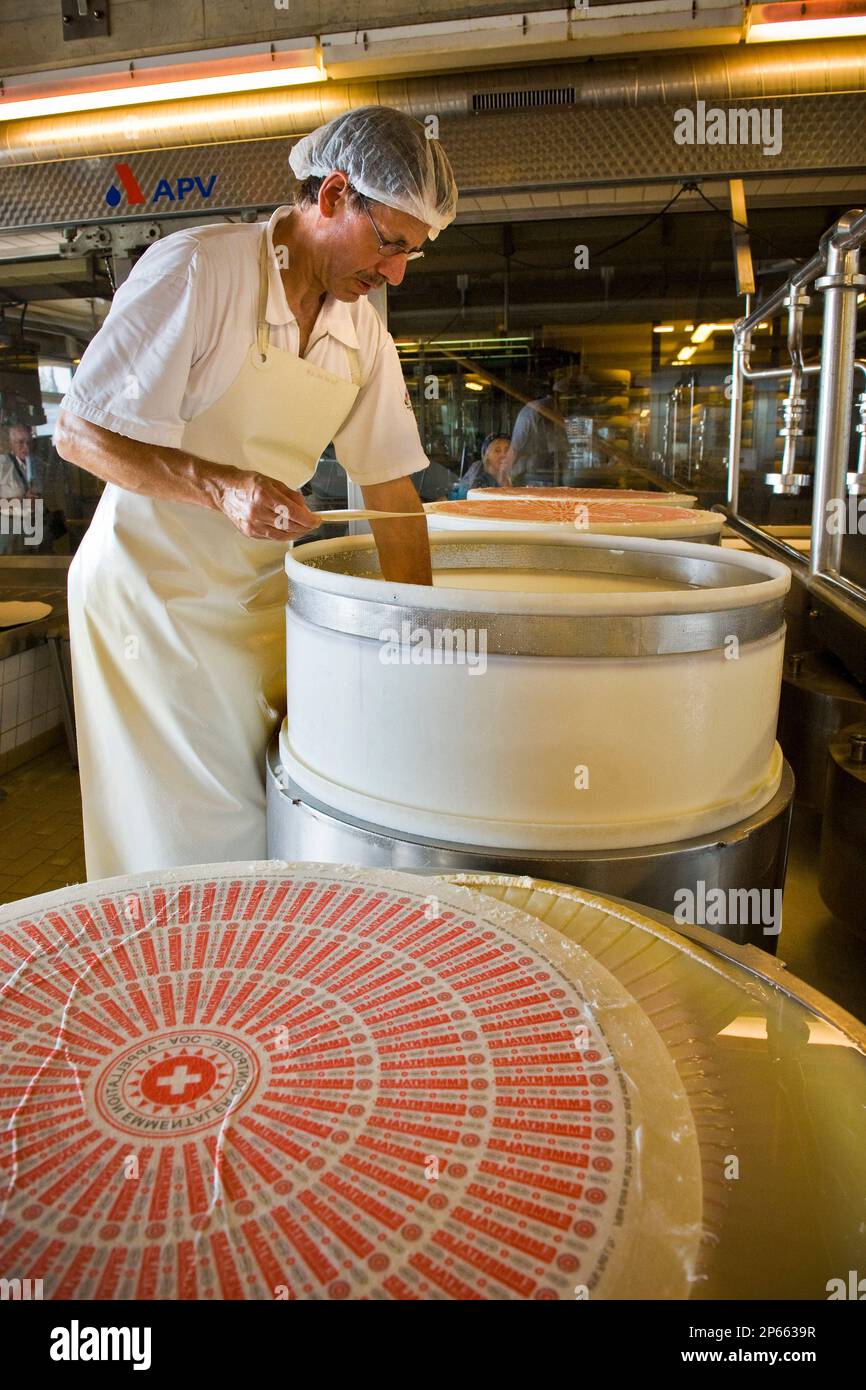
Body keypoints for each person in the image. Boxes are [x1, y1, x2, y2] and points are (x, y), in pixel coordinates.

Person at [54, 105, 458, 880]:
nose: (397, 272)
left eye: (414, 253)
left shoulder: (362, 330)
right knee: (190, 835)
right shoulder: (203, 270)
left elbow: (392, 494)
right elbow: (80, 432)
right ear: (335, 196)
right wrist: (221, 488)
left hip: (254, 603)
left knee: (277, 805)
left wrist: (425, 643)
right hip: (151, 602)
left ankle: (250, 975)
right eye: (392, 244)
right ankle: (176, 977)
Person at [508, 379, 570, 486]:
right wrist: (504, 475)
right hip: (534, 478)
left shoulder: (553, 411)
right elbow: (515, 449)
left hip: (543, 475)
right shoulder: (540, 410)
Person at [453, 433, 511, 497]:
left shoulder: (517, 477)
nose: (503, 455)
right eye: (497, 451)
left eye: (507, 450)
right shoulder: (478, 478)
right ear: (486, 455)